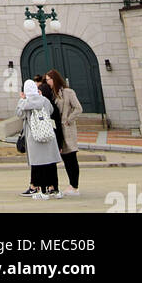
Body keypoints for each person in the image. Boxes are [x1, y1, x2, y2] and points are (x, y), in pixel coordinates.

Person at [17, 78, 63, 198]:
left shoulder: (25, 103)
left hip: (35, 136)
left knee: (38, 163)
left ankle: (41, 191)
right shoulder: (45, 100)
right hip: (48, 134)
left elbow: (19, 114)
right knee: (50, 163)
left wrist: (22, 98)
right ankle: (54, 189)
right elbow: (51, 111)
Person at [46, 68, 83, 196]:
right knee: (66, 159)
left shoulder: (68, 92)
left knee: (71, 158)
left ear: (54, 79)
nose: (47, 82)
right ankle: (72, 185)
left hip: (68, 129)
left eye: (48, 80)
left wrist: (68, 120)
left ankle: (74, 186)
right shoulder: (53, 94)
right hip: (59, 131)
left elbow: (78, 108)